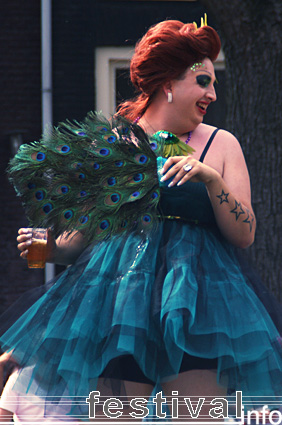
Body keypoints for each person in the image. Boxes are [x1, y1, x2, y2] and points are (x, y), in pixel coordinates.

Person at [1, 16, 282, 422]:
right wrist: (41, 251)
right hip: (119, 310)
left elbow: (245, 234)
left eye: (214, 83)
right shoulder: (113, 146)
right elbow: (81, 240)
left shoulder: (222, 145)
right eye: (203, 81)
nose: (213, 94)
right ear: (168, 82)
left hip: (197, 309)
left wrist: (210, 177)